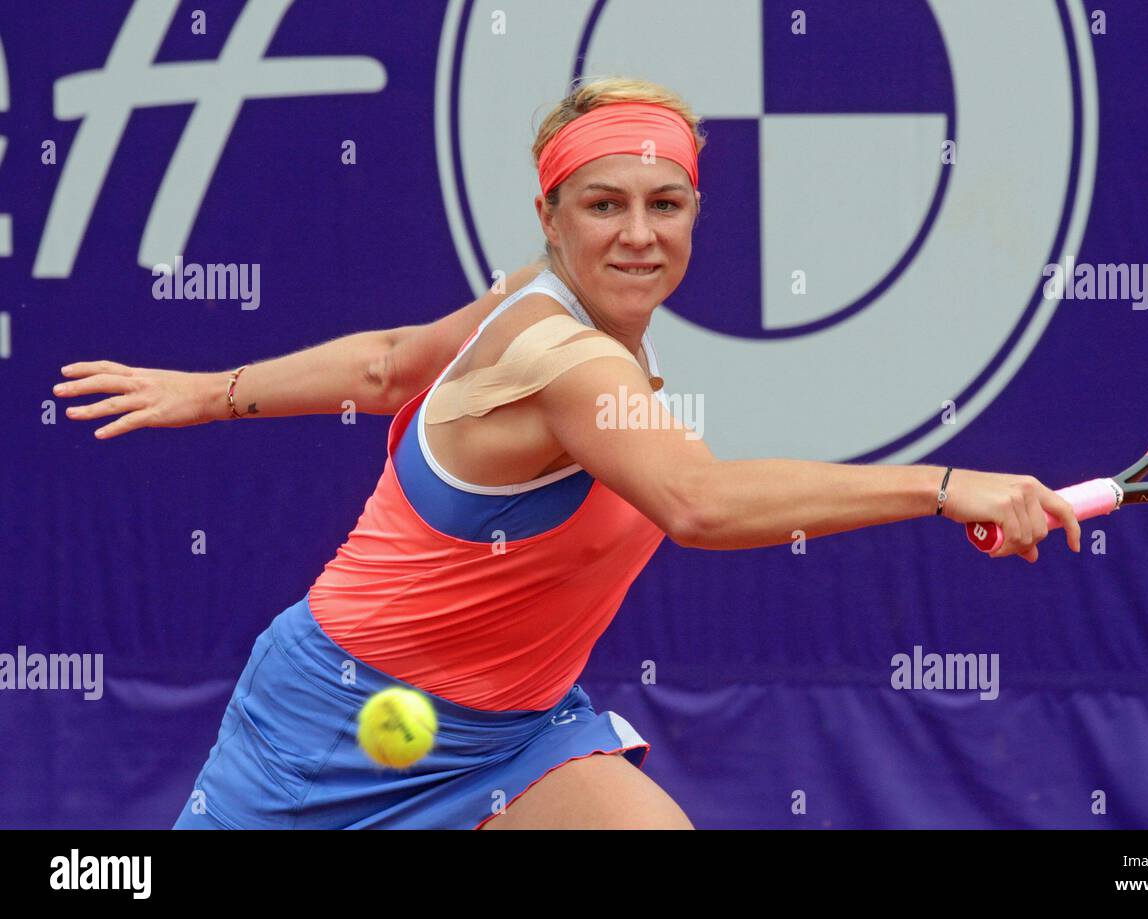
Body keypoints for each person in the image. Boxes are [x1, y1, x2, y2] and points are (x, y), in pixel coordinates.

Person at [53, 76, 1080, 829]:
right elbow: (699, 503)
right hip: (336, 724)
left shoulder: (529, 298)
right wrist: (941, 485)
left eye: (663, 204)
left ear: (693, 216)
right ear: (550, 217)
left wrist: (209, 391)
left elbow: (383, 369)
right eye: (603, 205)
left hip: (510, 733)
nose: (638, 234)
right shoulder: (564, 356)